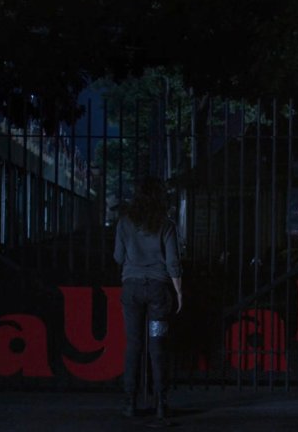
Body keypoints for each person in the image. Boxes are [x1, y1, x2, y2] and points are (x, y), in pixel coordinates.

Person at [113, 177, 183, 420]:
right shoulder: (166, 224)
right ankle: (161, 403)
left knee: (133, 345)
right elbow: (173, 263)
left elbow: (118, 257)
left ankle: (130, 403)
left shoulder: (124, 222)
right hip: (158, 291)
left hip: (131, 289)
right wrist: (179, 292)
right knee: (157, 346)